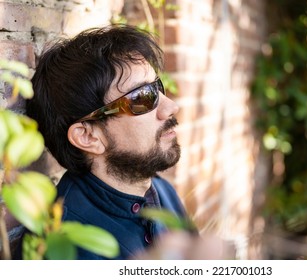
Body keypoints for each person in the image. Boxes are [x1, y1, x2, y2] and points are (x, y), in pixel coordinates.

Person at [25, 24, 194, 259]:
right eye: (142, 97)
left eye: (157, 87)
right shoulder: (64, 247)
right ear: (88, 136)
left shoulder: (161, 191)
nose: (171, 107)